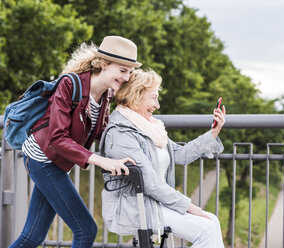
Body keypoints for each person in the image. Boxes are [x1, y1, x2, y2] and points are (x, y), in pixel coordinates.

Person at [9, 36, 140, 248]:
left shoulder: (106, 95)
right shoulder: (70, 84)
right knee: (86, 229)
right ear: (103, 64)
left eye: (129, 72)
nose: (126, 77)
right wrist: (101, 161)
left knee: (32, 237)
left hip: (58, 164)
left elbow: (102, 134)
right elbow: (57, 138)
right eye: (122, 70)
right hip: (42, 158)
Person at [100, 69, 226, 248]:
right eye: (154, 98)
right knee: (206, 229)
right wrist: (188, 205)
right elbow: (149, 181)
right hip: (136, 207)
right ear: (136, 95)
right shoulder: (121, 133)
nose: (157, 105)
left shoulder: (150, 128)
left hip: (155, 203)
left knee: (212, 221)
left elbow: (179, 155)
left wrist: (213, 133)